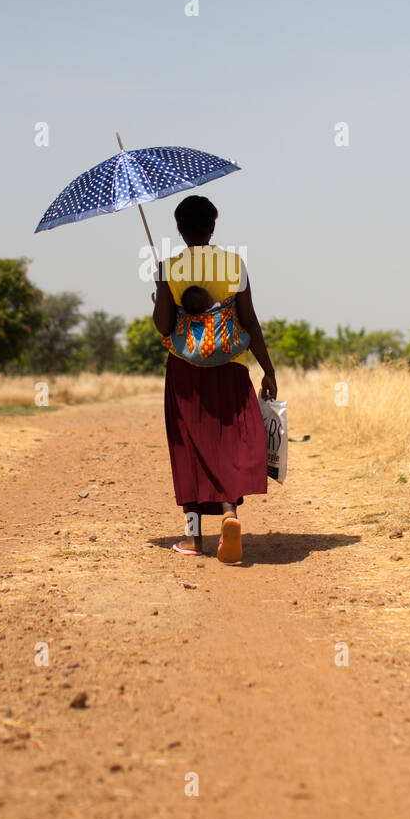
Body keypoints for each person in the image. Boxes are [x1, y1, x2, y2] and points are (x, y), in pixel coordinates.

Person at [152, 194, 277, 563]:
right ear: (212, 226)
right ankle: (229, 515)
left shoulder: (169, 267)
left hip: (185, 371)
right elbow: (250, 320)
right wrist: (268, 369)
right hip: (231, 366)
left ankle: (193, 539)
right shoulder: (233, 264)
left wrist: (161, 288)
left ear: (179, 229)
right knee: (228, 444)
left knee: (188, 447)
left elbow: (161, 325)